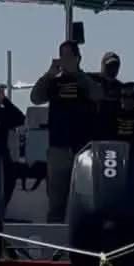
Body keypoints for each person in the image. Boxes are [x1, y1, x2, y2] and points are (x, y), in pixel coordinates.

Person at [30, 40, 102, 222]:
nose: (66, 60)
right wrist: (49, 74)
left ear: (78, 58)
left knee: (84, 197)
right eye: (63, 56)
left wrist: (77, 74)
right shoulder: (53, 82)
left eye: (70, 56)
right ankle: (56, 245)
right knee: (56, 201)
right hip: (58, 148)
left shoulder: (86, 81)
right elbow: (36, 98)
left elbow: (97, 95)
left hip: (83, 149)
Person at [89, 51, 123, 137]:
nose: (112, 69)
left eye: (115, 66)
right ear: (103, 65)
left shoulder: (122, 88)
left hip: (113, 135)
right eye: (109, 65)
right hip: (91, 133)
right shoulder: (90, 80)